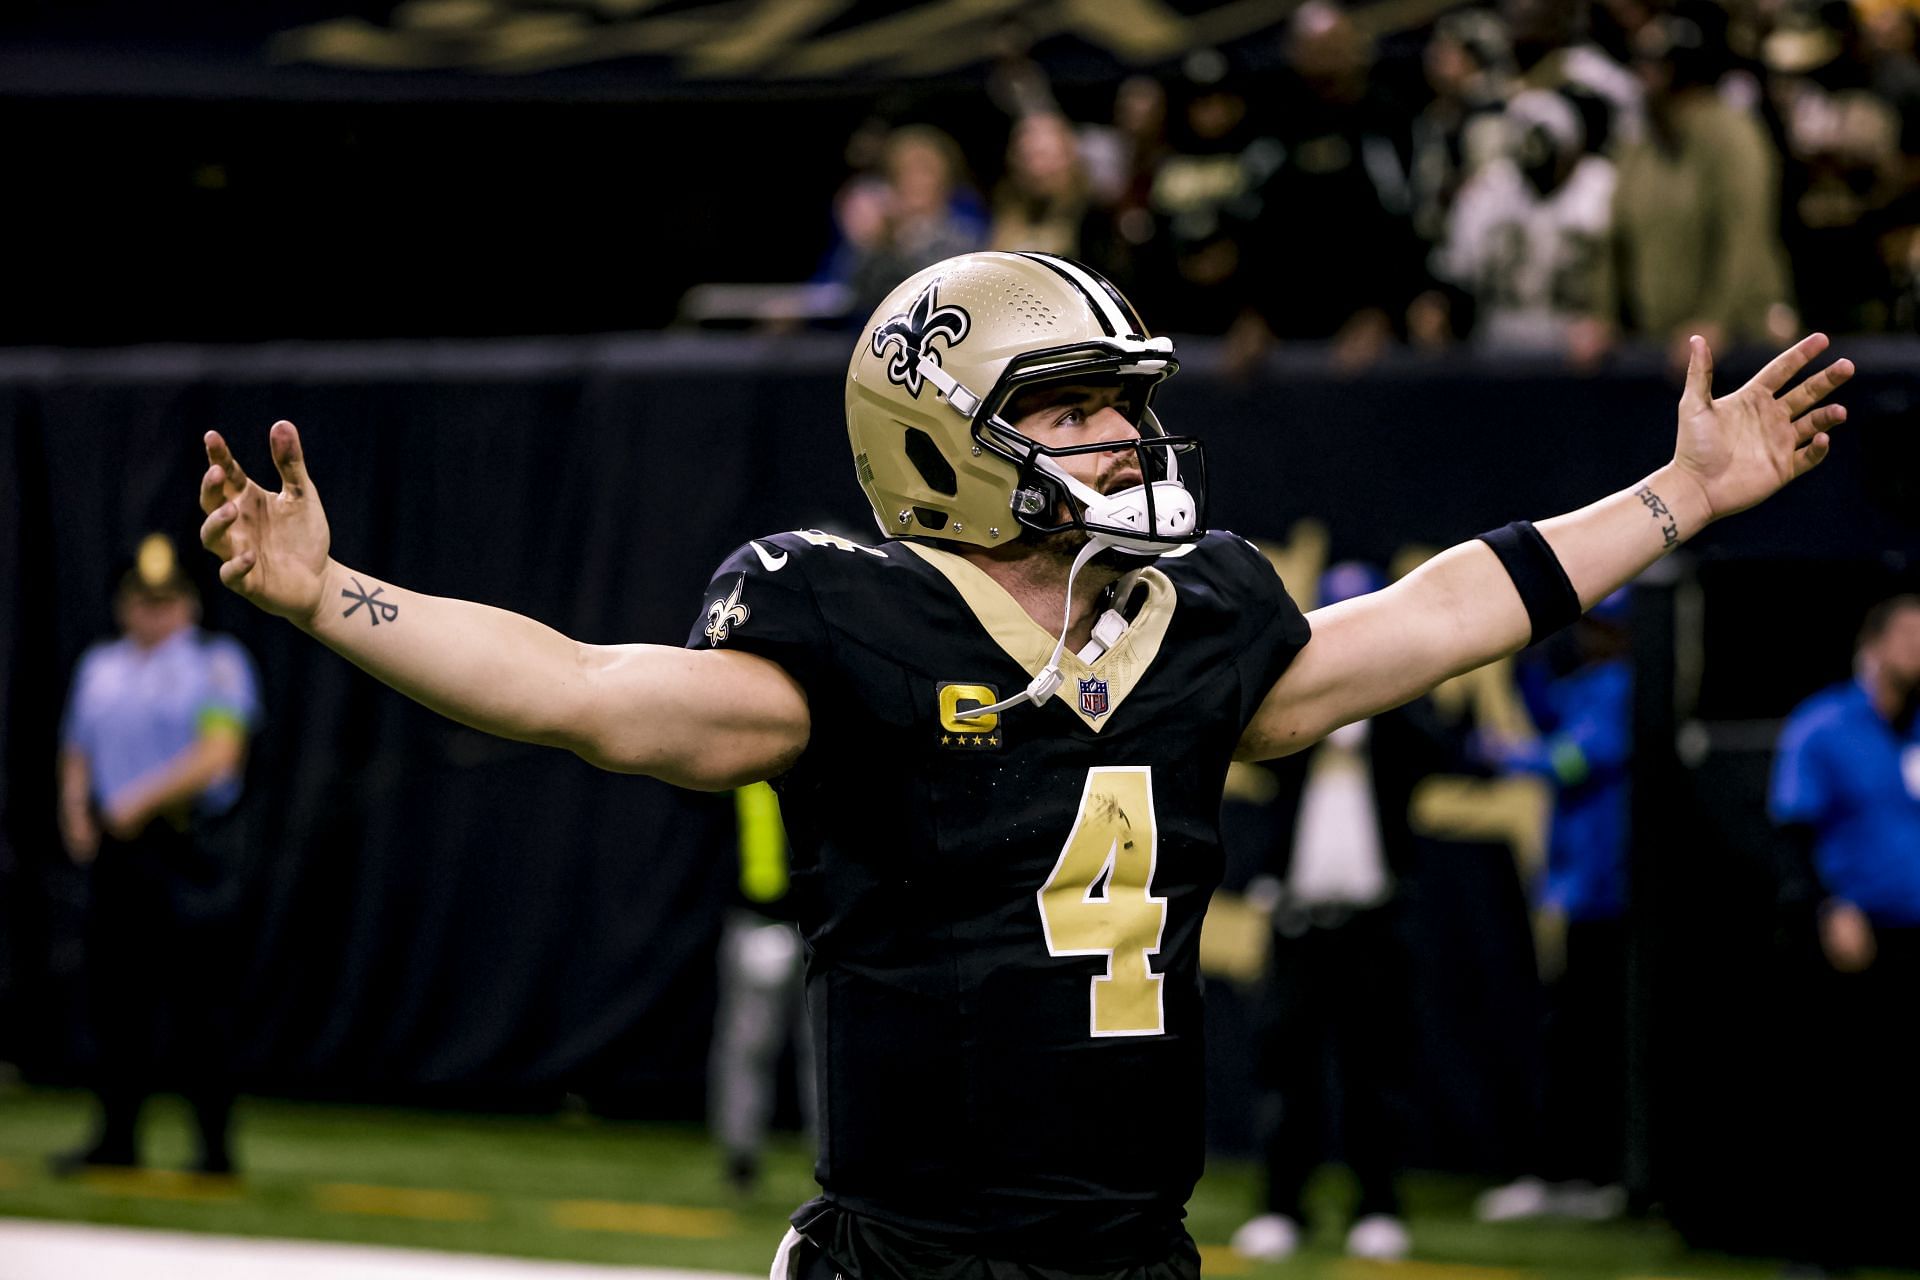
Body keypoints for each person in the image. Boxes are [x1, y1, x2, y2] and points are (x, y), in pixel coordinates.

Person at [195, 249, 1849, 1279]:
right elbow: (578, 693)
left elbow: (1433, 616)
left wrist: (1672, 503)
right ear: (940, 437)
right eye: (1068, 409)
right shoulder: (848, 621)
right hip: (912, 1257)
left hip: (1133, 1258)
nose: (1121, 437)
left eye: (1119, 403)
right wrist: (326, 593)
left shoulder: (1201, 624)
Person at [54, 533, 261, 1177]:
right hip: (120, 852)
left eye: (165, 600)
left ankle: (213, 1148)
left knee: (200, 1002)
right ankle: (116, 1139)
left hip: (186, 846)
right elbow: (77, 747)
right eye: (141, 600)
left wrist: (138, 802)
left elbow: (220, 753)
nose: (152, 613)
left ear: (188, 604)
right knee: (116, 999)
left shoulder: (216, 663)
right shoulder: (100, 667)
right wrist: (76, 808)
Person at [1767, 593, 1920, 1268]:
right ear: (1876, 642)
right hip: (1852, 937)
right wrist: (1831, 907)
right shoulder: (1825, 724)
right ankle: (1818, 1252)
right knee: (1836, 1098)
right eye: (1912, 635)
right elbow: (1791, 831)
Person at [1473, 595, 1633, 1223]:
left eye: (1600, 626)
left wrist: (1506, 757)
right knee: (1569, 1031)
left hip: (1608, 890)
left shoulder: (1622, 686)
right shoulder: (1592, 682)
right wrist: (1526, 662)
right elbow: (1550, 722)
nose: (1590, 638)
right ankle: (1569, 1173)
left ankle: (1587, 1176)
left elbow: (1572, 758)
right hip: (1581, 886)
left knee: (1586, 1036)